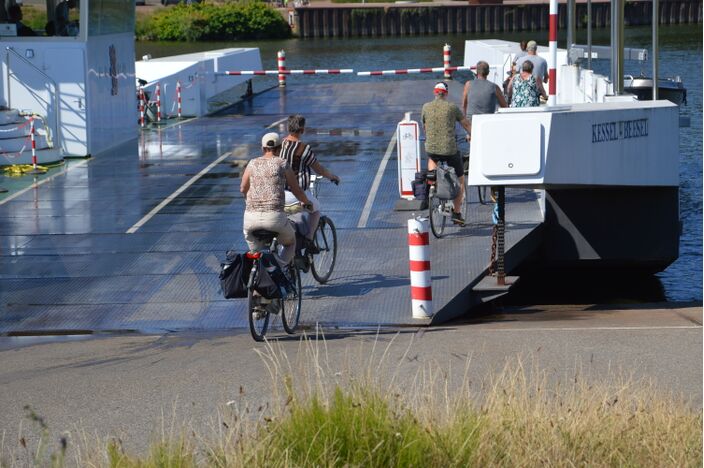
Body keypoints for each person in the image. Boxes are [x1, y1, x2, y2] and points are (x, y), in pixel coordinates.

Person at [240, 132, 311, 267]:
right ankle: (279, 268)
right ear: (279, 149)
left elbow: (243, 188)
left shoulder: (252, 163)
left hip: (250, 219)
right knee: (291, 243)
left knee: (256, 255)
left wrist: (249, 201)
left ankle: (256, 281)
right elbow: (296, 190)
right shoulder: (282, 163)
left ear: (262, 149)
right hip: (274, 218)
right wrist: (306, 203)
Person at [278, 114, 340, 253]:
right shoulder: (303, 149)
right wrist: (332, 177)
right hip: (297, 195)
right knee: (315, 210)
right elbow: (319, 169)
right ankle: (309, 239)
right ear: (302, 130)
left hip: (280, 194)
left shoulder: (279, 145)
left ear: (289, 128)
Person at [421, 82, 473, 226]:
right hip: (450, 150)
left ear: (434, 92)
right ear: (446, 94)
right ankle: (457, 213)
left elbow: (425, 127)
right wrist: (474, 136)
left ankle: (432, 184)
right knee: (460, 180)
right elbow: (466, 125)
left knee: (432, 157)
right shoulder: (452, 107)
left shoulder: (426, 107)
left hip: (432, 148)